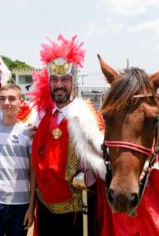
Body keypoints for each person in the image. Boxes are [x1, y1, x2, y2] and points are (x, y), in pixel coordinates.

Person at [30, 35, 106, 236]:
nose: (59, 85)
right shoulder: (41, 116)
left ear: (74, 82)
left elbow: (103, 157)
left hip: (77, 209)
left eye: (65, 79)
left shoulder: (87, 114)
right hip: (45, 206)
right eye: (54, 79)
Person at [0, 83, 36, 236]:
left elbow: (33, 173)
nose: (7, 103)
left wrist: (31, 207)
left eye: (12, 99)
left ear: (21, 103)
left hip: (20, 205)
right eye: (2, 99)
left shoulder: (28, 132)